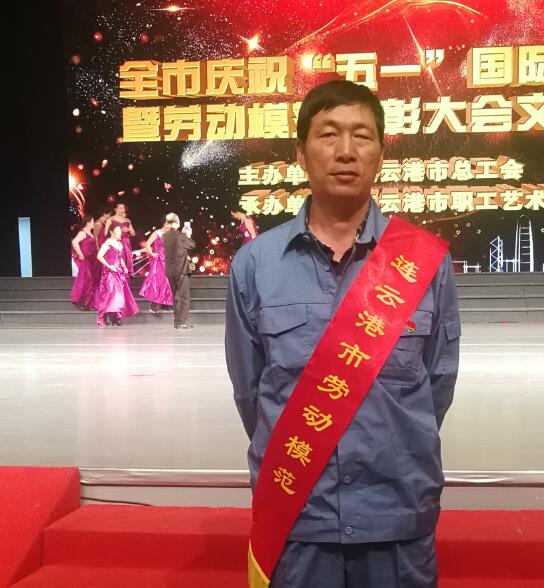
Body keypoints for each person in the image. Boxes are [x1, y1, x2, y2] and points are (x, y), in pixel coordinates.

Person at [226, 80, 460, 588]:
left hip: (397, 513)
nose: (346, 151)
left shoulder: (424, 261)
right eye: (329, 134)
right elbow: (251, 391)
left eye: (362, 135)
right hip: (298, 516)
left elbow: (438, 382)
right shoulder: (255, 264)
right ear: (301, 152)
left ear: (381, 152)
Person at [94, 224, 139, 327]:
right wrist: (109, 266)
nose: (120, 233)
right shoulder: (107, 243)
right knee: (110, 294)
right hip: (110, 273)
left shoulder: (119, 244)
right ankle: (106, 316)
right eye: (117, 231)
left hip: (118, 272)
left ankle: (117, 317)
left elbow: (120, 257)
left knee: (119, 294)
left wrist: (124, 267)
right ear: (112, 232)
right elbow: (99, 256)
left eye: (120, 231)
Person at [161, 213, 196, 329]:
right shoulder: (180, 236)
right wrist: (188, 235)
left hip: (170, 270)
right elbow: (192, 245)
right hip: (181, 269)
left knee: (176, 296)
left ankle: (177, 321)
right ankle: (181, 322)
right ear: (177, 223)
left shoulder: (164, 236)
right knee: (183, 297)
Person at [139, 217, 174, 313]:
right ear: (164, 223)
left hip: (168, 260)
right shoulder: (157, 233)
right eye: (169, 223)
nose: (170, 225)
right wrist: (152, 253)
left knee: (168, 281)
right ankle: (155, 305)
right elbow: (147, 244)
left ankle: (166, 303)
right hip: (159, 260)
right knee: (160, 281)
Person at [70, 215, 99, 310]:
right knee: (86, 279)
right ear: (88, 223)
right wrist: (80, 254)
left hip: (92, 259)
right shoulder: (82, 233)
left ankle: (88, 303)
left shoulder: (90, 233)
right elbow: (74, 242)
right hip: (85, 259)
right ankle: (79, 300)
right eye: (92, 221)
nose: (94, 223)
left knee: (91, 281)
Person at [104, 203, 136, 277]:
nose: (122, 210)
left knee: (127, 259)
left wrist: (129, 229)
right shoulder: (110, 219)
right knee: (118, 259)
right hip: (116, 242)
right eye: (120, 208)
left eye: (123, 208)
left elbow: (133, 234)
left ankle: (127, 276)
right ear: (115, 209)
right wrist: (119, 231)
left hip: (126, 242)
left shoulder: (127, 220)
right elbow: (105, 233)